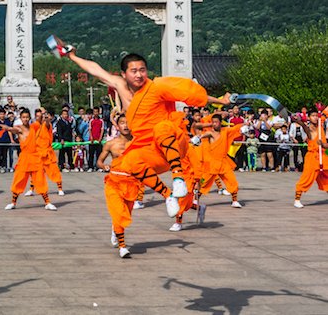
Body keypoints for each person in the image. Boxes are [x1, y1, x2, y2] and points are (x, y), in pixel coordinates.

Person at [56, 40, 230, 217]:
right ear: (124, 74)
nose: (139, 75)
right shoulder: (121, 86)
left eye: (142, 70)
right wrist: (72, 56)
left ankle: (178, 179)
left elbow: (188, 94)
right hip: (143, 144)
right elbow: (95, 70)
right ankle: (164, 198)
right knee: (127, 170)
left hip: (169, 139)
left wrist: (220, 100)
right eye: (133, 71)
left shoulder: (155, 88)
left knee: (164, 133)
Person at [97, 113, 139, 258]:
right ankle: (122, 246)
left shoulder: (137, 143)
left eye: (128, 122)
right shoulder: (111, 144)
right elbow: (99, 162)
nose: (126, 125)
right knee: (118, 213)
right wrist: (105, 167)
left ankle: (116, 229)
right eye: (122, 122)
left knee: (125, 214)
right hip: (113, 182)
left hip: (131, 183)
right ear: (117, 125)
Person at [1, 109, 55, 211]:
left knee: (40, 180)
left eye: (27, 117)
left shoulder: (34, 127)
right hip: (24, 158)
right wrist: (4, 127)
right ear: (20, 118)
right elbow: (11, 129)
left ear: (29, 118)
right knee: (19, 179)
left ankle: (47, 202)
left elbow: (45, 125)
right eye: (23, 117)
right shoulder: (19, 129)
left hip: (35, 157)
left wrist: (46, 119)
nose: (25, 119)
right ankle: (13, 202)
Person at [199, 113, 244, 208]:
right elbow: (203, 135)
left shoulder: (225, 131)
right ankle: (195, 199)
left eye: (216, 122)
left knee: (232, 181)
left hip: (224, 162)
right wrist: (196, 138)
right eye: (213, 122)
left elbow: (235, 129)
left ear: (220, 123)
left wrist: (245, 125)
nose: (214, 124)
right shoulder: (210, 133)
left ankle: (234, 201)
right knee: (203, 182)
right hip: (212, 163)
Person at [292, 109, 328, 208]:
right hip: (312, 157)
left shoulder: (321, 126)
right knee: (307, 178)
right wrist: (297, 120)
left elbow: (325, 112)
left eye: (316, 115)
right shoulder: (309, 129)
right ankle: (297, 199)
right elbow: (303, 126)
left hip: (323, 156)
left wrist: (323, 144)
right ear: (309, 117)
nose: (315, 117)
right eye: (313, 115)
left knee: (326, 178)